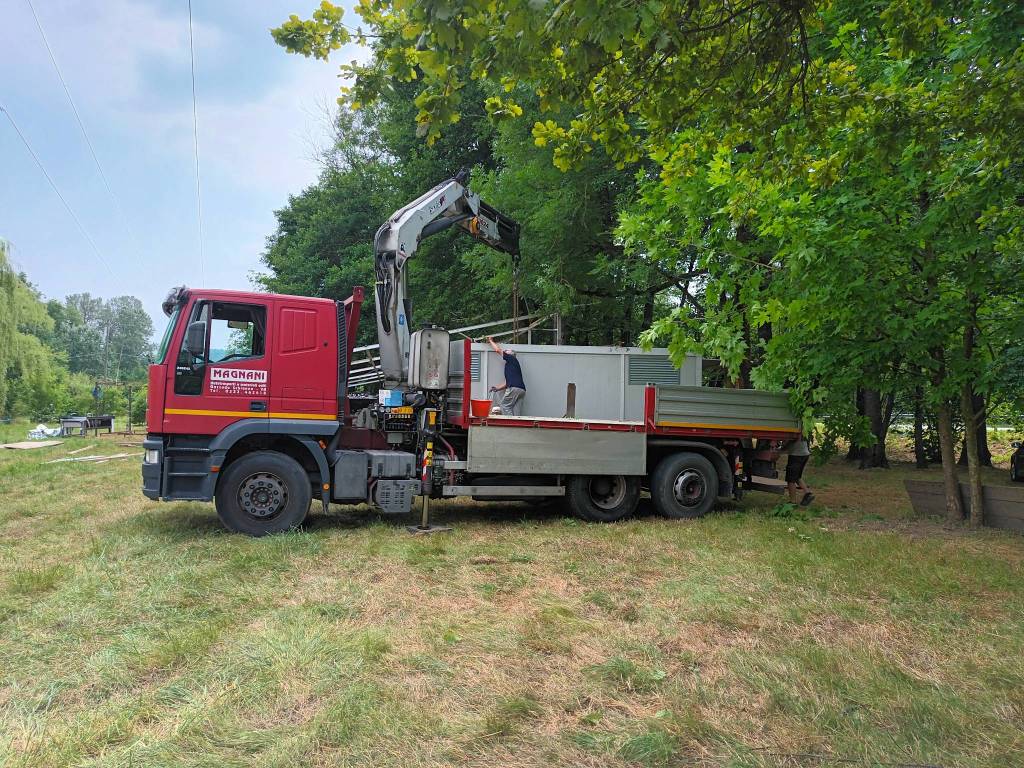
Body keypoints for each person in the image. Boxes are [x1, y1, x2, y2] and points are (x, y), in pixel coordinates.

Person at [486, 335, 527, 416]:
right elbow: (507, 382)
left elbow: (498, 350)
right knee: (516, 411)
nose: (505, 351)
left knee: (505, 406)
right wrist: (497, 388)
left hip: (514, 388)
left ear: (511, 354)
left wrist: (490, 341)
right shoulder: (512, 365)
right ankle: (516, 425)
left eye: (507, 350)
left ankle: (510, 424)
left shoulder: (511, 358)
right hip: (521, 390)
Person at [785, 436, 814, 506]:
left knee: (790, 479)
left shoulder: (793, 428)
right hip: (804, 454)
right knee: (797, 477)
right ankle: (808, 493)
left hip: (796, 455)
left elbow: (789, 441)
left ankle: (792, 502)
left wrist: (779, 450)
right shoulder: (802, 427)